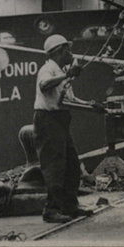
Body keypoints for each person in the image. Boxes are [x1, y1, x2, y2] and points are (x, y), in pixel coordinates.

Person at [33, 34, 94, 223]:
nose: (71, 53)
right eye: (68, 49)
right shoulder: (48, 69)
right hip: (48, 120)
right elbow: (44, 85)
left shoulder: (61, 70)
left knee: (72, 165)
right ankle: (51, 210)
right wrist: (67, 75)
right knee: (55, 166)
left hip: (60, 121)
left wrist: (92, 105)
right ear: (59, 51)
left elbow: (69, 100)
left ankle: (70, 206)